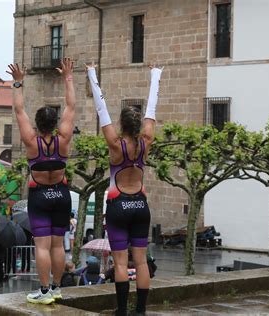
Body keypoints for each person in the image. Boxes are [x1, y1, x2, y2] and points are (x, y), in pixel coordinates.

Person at [86, 62, 163, 315]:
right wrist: (155, 75)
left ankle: (121, 311)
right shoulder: (146, 141)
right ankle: (140, 311)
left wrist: (92, 73)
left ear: (122, 123)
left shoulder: (116, 145)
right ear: (138, 124)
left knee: (120, 262)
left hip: (118, 205)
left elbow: (101, 109)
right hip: (141, 205)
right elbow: (152, 109)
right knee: (140, 261)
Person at [6, 58, 75, 305]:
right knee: (58, 246)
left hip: (40, 195)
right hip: (61, 193)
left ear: (37, 123)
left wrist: (18, 83)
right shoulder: (64, 139)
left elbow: (19, 110)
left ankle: (44, 291)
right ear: (55, 123)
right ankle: (56, 288)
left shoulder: (32, 142)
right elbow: (71, 105)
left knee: (42, 246)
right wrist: (68, 76)